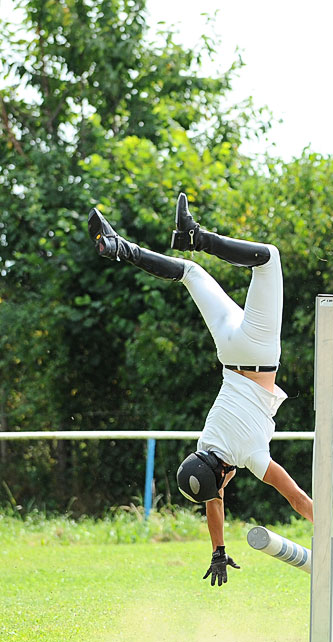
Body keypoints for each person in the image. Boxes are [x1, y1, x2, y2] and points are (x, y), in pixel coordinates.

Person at [87, 194, 314, 586]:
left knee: (270, 258)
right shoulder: (206, 443)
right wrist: (217, 549)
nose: (221, 492)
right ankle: (119, 246)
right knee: (189, 271)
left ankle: (196, 235)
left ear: (224, 476)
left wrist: (329, 524)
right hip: (228, 348)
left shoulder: (250, 457)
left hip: (259, 351)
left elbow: (295, 498)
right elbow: (211, 496)